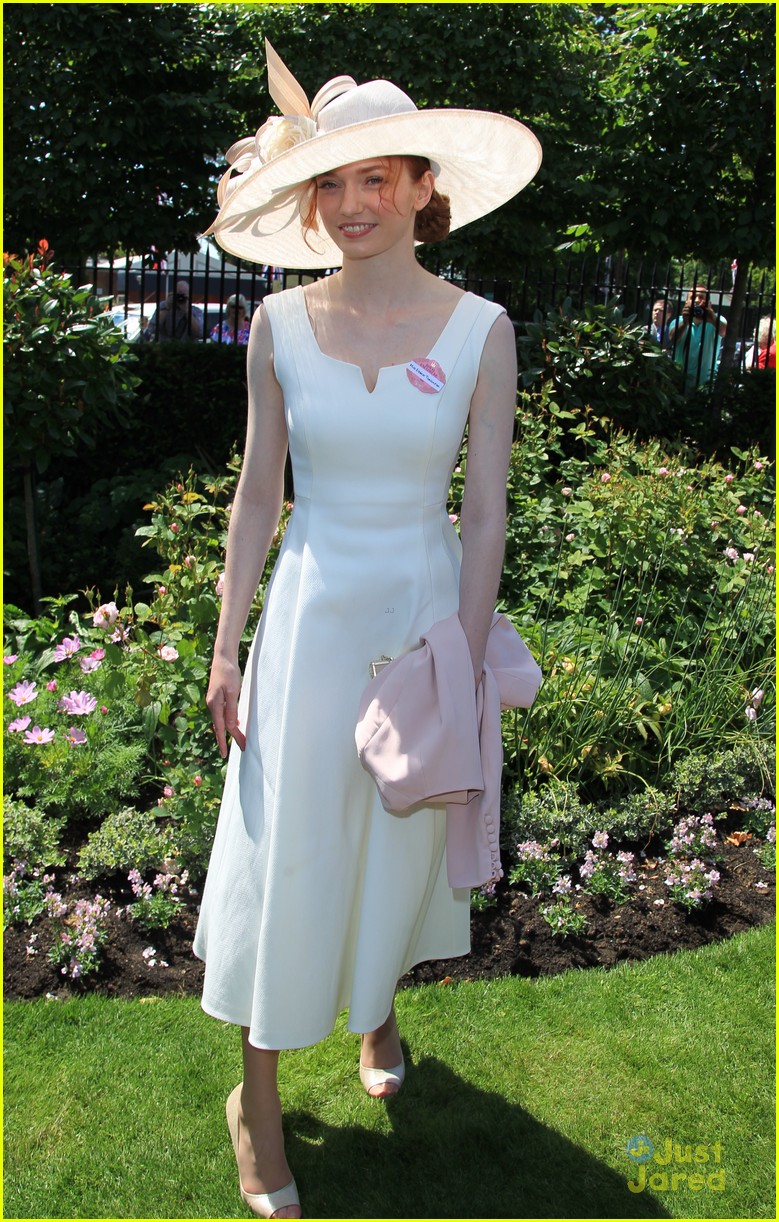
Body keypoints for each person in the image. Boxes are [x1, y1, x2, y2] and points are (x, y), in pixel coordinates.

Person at [194, 39, 542, 1219]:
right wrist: (226, 641)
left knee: (389, 840)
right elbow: (256, 494)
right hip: (308, 627)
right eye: (331, 183)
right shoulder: (277, 328)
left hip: (420, 615)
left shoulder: (482, 328)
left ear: (420, 187)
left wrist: (460, 651)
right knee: (292, 848)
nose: (352, 204)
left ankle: (377, 1007)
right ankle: (256, 1096)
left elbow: (486, 508)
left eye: (375, 179)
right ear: (309, 197)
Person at [666, 286, 727, 395]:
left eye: (701, 297)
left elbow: (724, 332)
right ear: (687, 302)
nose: (697, 300)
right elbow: (672, 338)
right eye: (693, 297)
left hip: (706, 384)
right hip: (680, 382)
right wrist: (685, 323)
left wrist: (711, 317)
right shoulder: (679, 321)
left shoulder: (717, 320)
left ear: (709, 303)